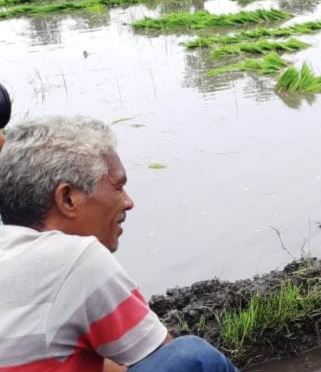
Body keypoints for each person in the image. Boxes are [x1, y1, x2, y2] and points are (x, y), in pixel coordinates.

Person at [0, 116, 237, 372]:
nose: (128, 202)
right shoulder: (75, 259)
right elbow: (161, 353)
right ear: (68, 198)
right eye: (117, 186)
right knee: (193, 357)